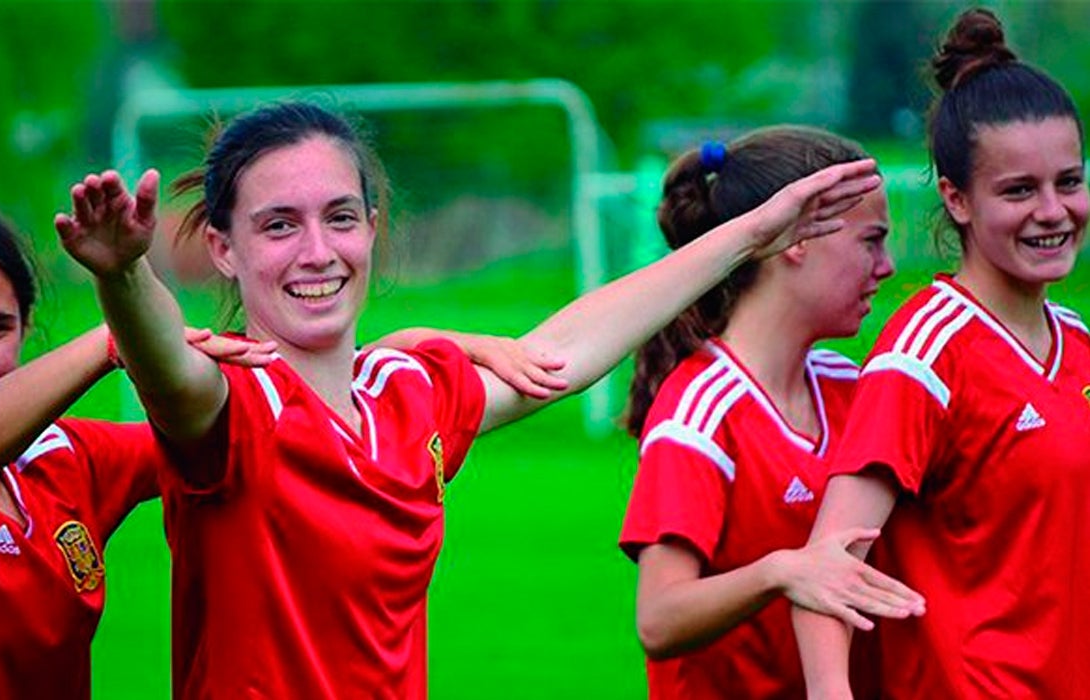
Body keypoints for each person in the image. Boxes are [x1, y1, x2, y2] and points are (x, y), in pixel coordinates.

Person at [53, 100, 883, 698]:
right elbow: (166, 370)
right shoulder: (231, 408)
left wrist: (745, 234)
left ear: (374, 227)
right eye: (278, 226)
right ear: (223, 251)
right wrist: (122, 272)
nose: (317, 251)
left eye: (340, 217)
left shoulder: (407, 395)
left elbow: (566, 350)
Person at [0, 194, 268, 699]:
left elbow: (229, 420)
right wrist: (115, 340)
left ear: (25, 325)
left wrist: (370, 363)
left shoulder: (65, 459)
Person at [793, 8, 1090, 698]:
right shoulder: (925, 355)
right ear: (956, 199)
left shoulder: (1078, 343)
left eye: (1069, 182)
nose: (1053, 211)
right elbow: (828, 567)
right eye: (1019, 190)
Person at [618, 126, 923, 699]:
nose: (886, 267)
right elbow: (658, 618)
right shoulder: (701, 414)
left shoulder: (849, 384)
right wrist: (781, 572)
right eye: (871, 240)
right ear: (798, 238)